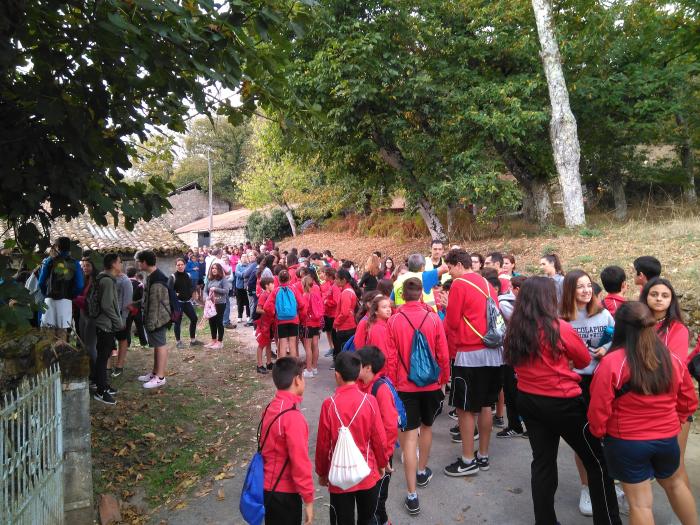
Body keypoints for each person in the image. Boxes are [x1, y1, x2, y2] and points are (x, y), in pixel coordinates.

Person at [504, 276, 621, 525]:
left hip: (528, 399)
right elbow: (582, 360)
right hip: (563, 403)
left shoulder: (516, 327)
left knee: (543, 463)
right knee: (597, 461)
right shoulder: (558, 327)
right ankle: (608, 520)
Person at [588, 302, 698, 525]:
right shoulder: (672, 359)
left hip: (627, 441)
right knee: (676, 484)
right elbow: (688, 401)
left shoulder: (612, 363)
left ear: (620, 327)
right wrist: (673, 423)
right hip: (667, 439)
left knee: (640, 503)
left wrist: (599, 432)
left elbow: (599, 408)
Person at [386, 278, 450, 516]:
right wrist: (444, 378)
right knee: (427, 428)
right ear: (421, 295)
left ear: (403, 295)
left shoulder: (394, 320)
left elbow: (391, 357)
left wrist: (392, 385)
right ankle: (422, 470)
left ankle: (412, 494)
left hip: (404, 387)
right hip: (430, 385)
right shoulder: (433, 318)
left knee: (409, 439)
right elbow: (443, 351)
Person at [442, 249, 503, 477]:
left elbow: (453, 322)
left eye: (449, 268)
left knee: (465, 408)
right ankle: (483, 455)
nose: (449, 273)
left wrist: (446, 307)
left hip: (470, 352)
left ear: (458, 264)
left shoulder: (460, 284)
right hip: (493, 352)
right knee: (486, 405)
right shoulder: (486, 283)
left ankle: (468, 460)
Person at [560, 269, 616, 516]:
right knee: (584, 437)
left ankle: (611, 481)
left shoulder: (604, 314)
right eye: (579, 287)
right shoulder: (562, 318)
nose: (585, 291)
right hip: (577, 382)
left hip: (602, 380)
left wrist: (606, 348)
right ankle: (587, 487)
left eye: (588, 286)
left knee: (608, 434)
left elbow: (618, 340)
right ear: (570, 291)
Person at [315, 352, 387, 525]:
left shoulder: (329, 405)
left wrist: (322, 472)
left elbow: (323, 444)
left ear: (337, 375)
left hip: (340, 475)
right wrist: (382, 463)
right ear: (358, 372)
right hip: (367, 473)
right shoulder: (369, 401)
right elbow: (379, 438)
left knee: (342, 520)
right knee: (367, 518)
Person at [640, 277, 694, 488]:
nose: (659, 299)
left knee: (674, 469)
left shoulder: (678, 329)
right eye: (654, 294)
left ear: (671, 301)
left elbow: (674, 366)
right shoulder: (636, 325)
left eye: (665, 295)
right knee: (639, 466)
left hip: (674, 404)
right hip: (639, 405)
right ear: (645, 297)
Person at [259, 357, 314, 525]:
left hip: (268, 486)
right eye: (302, 376)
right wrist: (308, 499)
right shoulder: (293, 418)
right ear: (297, 380)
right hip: (284, 493)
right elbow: (300, 462)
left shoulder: (272, 406)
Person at [357, 346, 398, 525]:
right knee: (368, 500)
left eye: (357, 365)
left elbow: (390, 425)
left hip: (381, 455)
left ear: (367, 368)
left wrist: (386, 456)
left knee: (378, 499)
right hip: (365, 454)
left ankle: (383, 521)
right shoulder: (359, 385)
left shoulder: (380, 389)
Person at [136, 250, 171, 389]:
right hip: (156, 318)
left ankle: (160, 377)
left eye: (139, 261)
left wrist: (151, 322)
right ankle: (155, 373)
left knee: (160, 344)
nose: (138, 263)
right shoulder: (152, 276)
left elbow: (156, 305)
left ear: (144, 262)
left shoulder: (157, 279)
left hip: (158, 319)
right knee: (157, 344)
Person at [496, 275, 527, 439]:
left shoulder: (505, 303)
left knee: (514, 390)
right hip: (516, 351)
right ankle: (516, 425)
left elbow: (516, 321)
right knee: (511, 389)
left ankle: (519, 425)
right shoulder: (510, 302)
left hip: (516, 351)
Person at [93, 253, 124, 405]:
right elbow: (106, 305)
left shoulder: (106, 279)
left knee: (104, 357)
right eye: (120, 262)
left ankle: (104, 385)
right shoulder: (107, 281)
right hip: (105, 325)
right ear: (113, 264)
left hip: (106, 324)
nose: (121, 264)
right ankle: (101, 391)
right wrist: (117, 321)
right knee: (102, 358)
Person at [38, 236, 84, 332]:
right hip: (65, 301)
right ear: (69, 248)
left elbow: (41, 282)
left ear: (57, 247)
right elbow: (79, 285)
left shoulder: (48, 261)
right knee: (61, 336)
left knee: (47, 335)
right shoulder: (74, 263)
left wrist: (45, 293)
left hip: (49, 300)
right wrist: (72, 295)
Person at [265, 270, 306, 358]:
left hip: (280, 320)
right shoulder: (294, 289)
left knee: (282, 343)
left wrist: (274, 314)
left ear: (278, 280)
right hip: (294, 320)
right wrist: (298, 313)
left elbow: (266, 306)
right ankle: (293, 365)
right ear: (289, 279)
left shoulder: (275, 291)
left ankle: (282, 366)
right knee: (292, 344)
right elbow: (302, 304)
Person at [169, 257, 202, 349]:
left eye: (182, 264)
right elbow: (168, 290)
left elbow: (191, 286)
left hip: (187, 302)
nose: (180, 266)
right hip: (177, 303)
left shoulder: (188, 275)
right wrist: (174, 293)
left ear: (185, 265)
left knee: (194, 319)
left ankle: (193, 340)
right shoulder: (173, 277)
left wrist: (193, 293)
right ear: (175, 266)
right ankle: (178, 342)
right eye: (178, 265)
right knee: (177, 322)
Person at [74, 258, 97, 386]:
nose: (84, 268)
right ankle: (90, 372)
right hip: (83, 314)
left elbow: (90, 300)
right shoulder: (85, 279)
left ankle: (95, 375)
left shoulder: (95, 281)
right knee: (85, 345)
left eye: (88, 265)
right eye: (83, 265)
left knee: (91, 346)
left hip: (91, 316)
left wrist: (74, 297)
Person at [332, 268, 360, 363]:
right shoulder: (349, 290)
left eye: (336, 279)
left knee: (344, 353)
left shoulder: (346, 293)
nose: (335, 281)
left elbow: (344, 313)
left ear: (343, 280)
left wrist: (336, 323)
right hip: (350, 326)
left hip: (345, 328)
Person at [353, 295, 392, 361]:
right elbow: (382, 355)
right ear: (376, 311)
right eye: (384, 307)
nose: (388, 309)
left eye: (389, 307)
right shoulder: (378, 329)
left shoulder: (384, 324)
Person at [111, 265, 133, 375]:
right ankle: (107, 366)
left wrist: (123, 318)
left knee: (122, 338)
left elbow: (128, 301)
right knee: (108, 340)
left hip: (121, 313)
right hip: (108, 313)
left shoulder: (125, 280)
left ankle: (119, 365)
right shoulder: (106, 277)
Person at [204, 262, 230, 349]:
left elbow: (226, 291)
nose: (214, 270)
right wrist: (207, 297)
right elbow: (205, 291)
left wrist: (216, 289)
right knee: (212, 322)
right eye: (212, 268)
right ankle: (213, 340)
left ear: (219, 270)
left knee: (219, 322)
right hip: (211, 305)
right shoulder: (209, 279)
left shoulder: (223, 279)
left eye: (215, 268)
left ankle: (220, 342)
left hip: (220, 303)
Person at [301, 275, 322, 378]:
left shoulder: (305, 295)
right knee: (315, 345)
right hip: (316, 323)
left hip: (308, 323)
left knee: (308, 347)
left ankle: (308, 370)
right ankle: (314, 367)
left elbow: (304, 311)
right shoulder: (316, 295)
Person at [255, 277, 276, 374]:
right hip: (264, 324)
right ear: (267, 285)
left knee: (268, 344)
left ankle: (269, 362)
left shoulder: (271, 294)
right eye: (272, 283)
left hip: (270, 324)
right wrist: (269, 312)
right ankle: (259, 365)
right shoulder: (264, 295)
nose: (274, 285)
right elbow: (258, 309)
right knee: (262, 344)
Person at [124, 267, 148, 348]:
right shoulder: (139, 284)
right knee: (140, 326)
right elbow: (141, 296)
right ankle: (144, 343)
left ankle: (127, 344)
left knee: (127, 327)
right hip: (137, 308)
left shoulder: (124, 283)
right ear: (135, 274)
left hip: (126, 308)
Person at [234, 253, 251, 325]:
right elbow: (237, 274)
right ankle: (239, 316)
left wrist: (243, 274)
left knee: (247, 302)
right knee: (239, 302)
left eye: (245, 257)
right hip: (239, 286)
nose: (244, 258)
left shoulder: (249, 266)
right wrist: (244, 274)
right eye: (242, 257)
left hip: (247, 286)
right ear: (240, 258)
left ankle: (248, 315)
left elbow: (249, 274)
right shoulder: (238, 265)